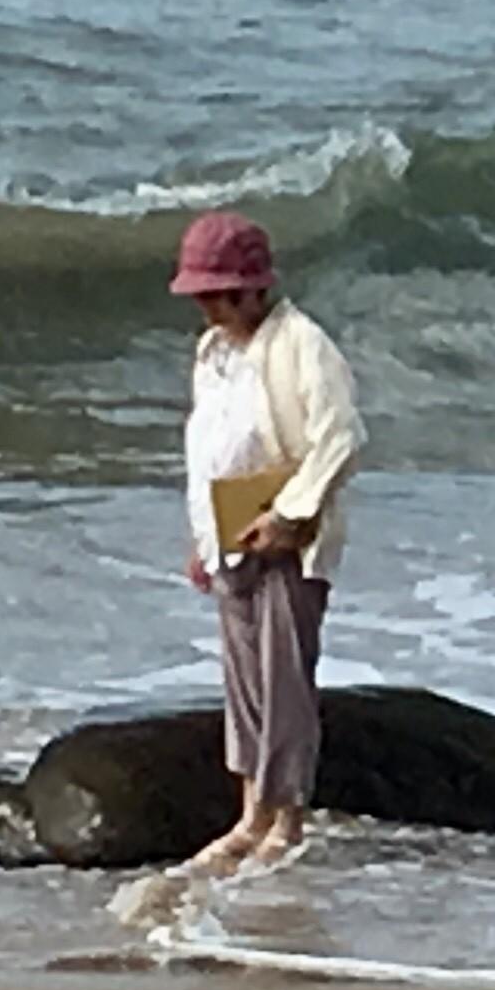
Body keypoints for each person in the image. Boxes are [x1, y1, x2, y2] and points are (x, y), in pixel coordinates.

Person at [168, 209, 365, 875]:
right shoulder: (215, 353)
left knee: (284, 682)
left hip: (286, 540)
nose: (207, 307)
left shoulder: (302, 345)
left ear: (255, 288)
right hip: (232, 535)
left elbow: (340, 440)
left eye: (217, 294)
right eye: (201, 295)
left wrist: (289, 515)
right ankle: (250, 812)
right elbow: (212, 451)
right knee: (245, 684)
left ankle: (287, 818)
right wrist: (205, 537)